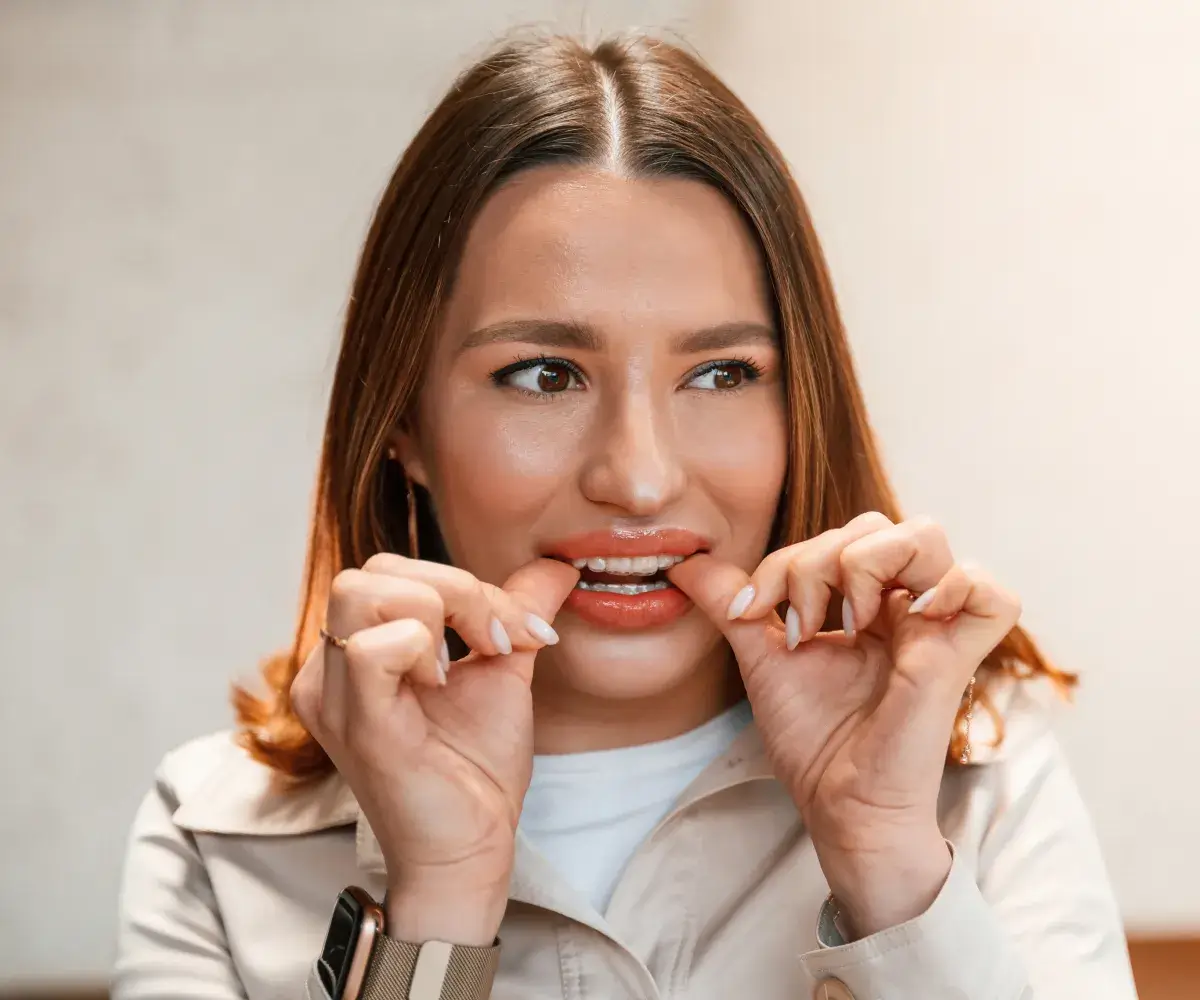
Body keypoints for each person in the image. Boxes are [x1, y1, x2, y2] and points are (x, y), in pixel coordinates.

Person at [112, 33, 1138, 1000]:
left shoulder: (978, 790)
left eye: (724, 371)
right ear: (403, 423)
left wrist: (890, 866)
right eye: (545, 373)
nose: (640, 480)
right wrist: (436, 911)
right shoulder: (217, 837)